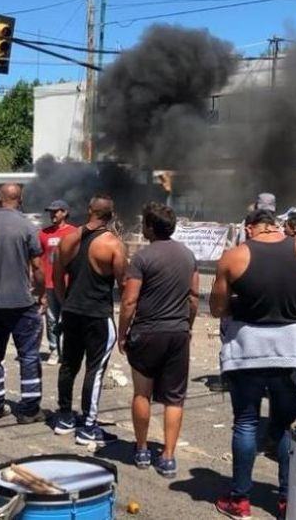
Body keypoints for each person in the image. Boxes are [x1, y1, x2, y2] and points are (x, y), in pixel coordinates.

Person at [210, 208, 296, 520]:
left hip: (247, 346)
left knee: (246, 422)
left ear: (250, 228)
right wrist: (291, 306)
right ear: (275, 226)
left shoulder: (233, 256)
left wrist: (244, 304)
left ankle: (240, 500)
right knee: (283, 424)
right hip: (290, 347)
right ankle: (287, 500)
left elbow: (217, 307)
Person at [118, 203, 199, 478]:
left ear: (150, 227)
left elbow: (129, 300)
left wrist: (122, 333)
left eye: (144, 224)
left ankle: (141, 449)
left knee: (142, 393)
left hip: (147, 332)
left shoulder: (142, 258)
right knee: (175, 398)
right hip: (177, 333)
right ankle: (168, 457)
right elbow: (194, 298)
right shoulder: (188, 256)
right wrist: (187, 327)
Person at [53, 195, 127, 446]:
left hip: (71, 311)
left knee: (68, 365)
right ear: (111, 215)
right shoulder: (113, 244)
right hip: (97, 315)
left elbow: (57, 277)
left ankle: (64, 417)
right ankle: (88, 427)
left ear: (88, 211)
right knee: (94, 371)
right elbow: (125, 285)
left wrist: (66, 305)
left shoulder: (67, 240)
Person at [0, 183, 46, 424]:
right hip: (23, 304)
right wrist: (41, 294)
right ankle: (29, 409)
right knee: (29, 356)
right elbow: (37, 267)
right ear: (20, 199)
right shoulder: (28, 227)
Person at [39, 199, 77, 366]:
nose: (53, 214)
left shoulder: (74, 233)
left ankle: (69, 350)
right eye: (51, 211)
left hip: (69, 283)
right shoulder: (43, 233)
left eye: (56, 211)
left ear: (65, 213)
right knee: (51, 318)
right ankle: (54, 349)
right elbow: (38, 259)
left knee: (69, 317)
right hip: (49, 283)